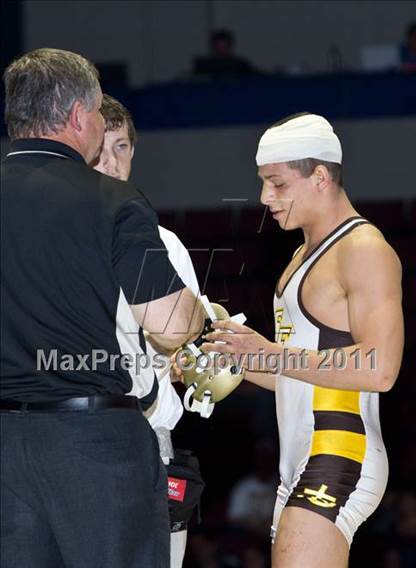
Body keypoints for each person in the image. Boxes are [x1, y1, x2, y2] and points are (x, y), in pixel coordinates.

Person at [1, 48, 205, 568]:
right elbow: (171, 326)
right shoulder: (111, 201)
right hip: (93, 447)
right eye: (96, 113)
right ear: (77, 117)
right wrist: (202, 315)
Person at [198, 113, 404, 567]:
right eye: (262, 184)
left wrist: (269, 352)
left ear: (320, 177)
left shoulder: (363, 249)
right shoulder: (302, 255)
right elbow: (302, 373)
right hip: (303, 457)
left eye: (277, 184)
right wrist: (232, 359)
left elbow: (380, 368)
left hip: (338, 453)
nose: (264, 198)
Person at [93, 93, 202, 568]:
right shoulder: (50, 235)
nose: (110, 163)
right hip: (64, 433)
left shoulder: (165, 246)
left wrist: (195, 361)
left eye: (121, 147)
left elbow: (183, 352)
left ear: (134, 152)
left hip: (147, 437)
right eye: (99, 148)